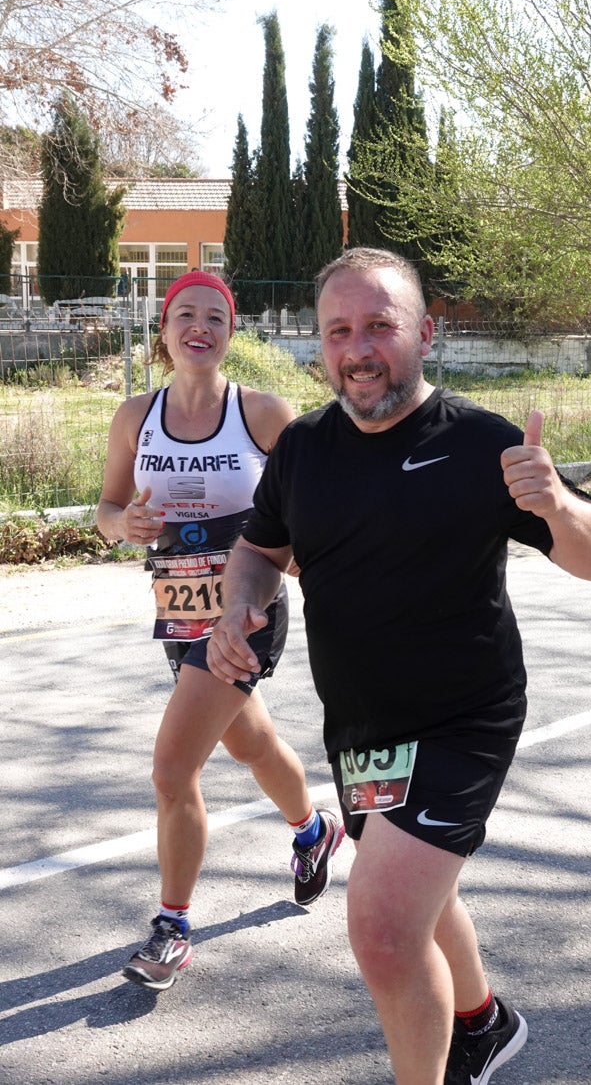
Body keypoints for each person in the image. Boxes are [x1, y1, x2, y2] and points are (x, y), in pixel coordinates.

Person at [205, 249, 591, 1083]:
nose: (359, 349)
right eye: (339, 331)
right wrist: (237, 605)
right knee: (420, 903)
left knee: (385, 931)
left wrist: (558, 503)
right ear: (319, 346)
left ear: (424, 333)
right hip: (361, 724)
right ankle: (482, 1021)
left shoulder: (477, 442)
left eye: (379, 326)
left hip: (463, 718)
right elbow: (258, 548)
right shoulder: (303, 449)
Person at [96, 270, 344, 992]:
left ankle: (171, 926)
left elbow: (317, 509)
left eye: (215, 317)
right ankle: (312, 828)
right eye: (185, 315)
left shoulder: (262, 412)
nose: (199, 327)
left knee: (173, 768)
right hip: (176, 609)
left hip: (246, 611)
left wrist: (322, 566)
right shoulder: (133, 416)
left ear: (230, 333)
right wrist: (125, 524)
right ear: (165, 329)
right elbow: (107, 510)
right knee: (250, 740)